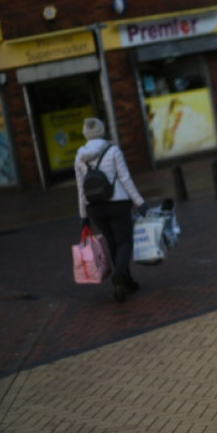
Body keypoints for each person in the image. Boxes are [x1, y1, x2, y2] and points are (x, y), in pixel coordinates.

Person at [75, 117, 148, 302]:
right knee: (124, 242)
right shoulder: (113, 150)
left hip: (95, 208)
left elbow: (81, 188)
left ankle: (126, 282)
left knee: (113, 243)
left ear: (85, 133)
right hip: (118, 203)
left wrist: (83, 216)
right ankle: (120, 275)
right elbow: (125, 178)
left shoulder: (79, 156)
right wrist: (140, 202)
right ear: (102, 130)